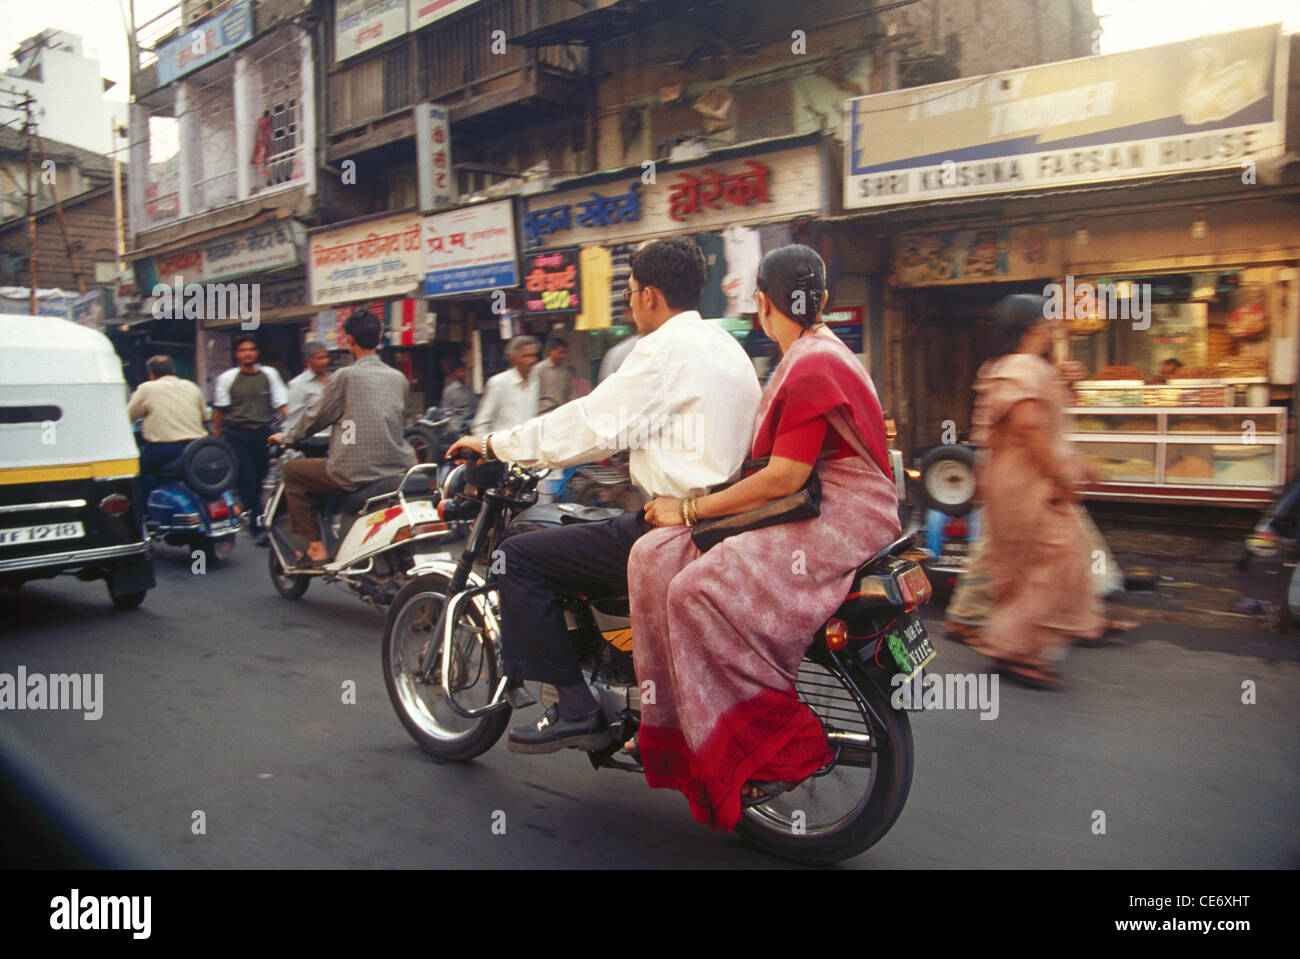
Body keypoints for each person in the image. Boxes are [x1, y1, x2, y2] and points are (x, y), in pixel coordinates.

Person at [445, 236, 761, 753]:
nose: (630, 303)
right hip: (723, 517)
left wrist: (494, 445)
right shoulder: (727, 346)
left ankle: (574, 707)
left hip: (674, 523)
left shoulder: (661, 349)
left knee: (516, 556)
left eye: (632, 292)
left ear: (652, 295)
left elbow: (589, 424)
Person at [625, 245, 900, 831]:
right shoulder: (813, 353)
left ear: (759, 304)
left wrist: (691, 507)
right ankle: (671, 725)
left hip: (841, 513)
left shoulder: (810, 365)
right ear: (822, 301)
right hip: (815, 501)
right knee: (651, 556)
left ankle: (769, 744)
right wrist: (688, 518)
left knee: (695, 590)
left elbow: (784, 476)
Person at [960, 294, 1119, 688]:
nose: (1051, 333)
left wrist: (1075, 467)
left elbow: (1045, 428)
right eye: (1047, 326)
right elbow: (1029, 427)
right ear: (1032, 329)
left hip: (1018, 481)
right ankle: (1007, 644)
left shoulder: (1016, 367)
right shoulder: (1021, 367)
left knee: (1026, 567)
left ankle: (1021, 649)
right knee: (1057, 560)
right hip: (1026, 482)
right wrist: (1061, 476)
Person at [266, 309, 415, 566]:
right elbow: (395, 421)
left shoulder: (344, 376)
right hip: (397, 468)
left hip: (353, 471)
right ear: (380, 337)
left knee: (292, 471)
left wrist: (287, 438)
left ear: (349, 340)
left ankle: (315, 548)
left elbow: (315, 418)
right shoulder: (399, 378)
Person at [212, 336, 288, 541]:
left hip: (263, 433)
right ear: (237, 354)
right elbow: (219, 410)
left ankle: (249, 511)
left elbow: (282, 404)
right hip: (237, 434)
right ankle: (257, 528)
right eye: (243, 350)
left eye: (252, 349)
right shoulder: (227, 378)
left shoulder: (269, 374)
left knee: (260, 476)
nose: (248, 353)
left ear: (256, 353)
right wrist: (217, 437)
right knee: (247, 478)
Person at [127, 355, 208, 495]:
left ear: (151, 374)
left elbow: (128, 417)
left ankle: (142, 513)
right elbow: (205, 416)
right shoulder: (191, 386)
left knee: (132, 476)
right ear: (173, 370)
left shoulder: (147, 388)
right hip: (197, 448)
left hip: (163, 451)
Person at [471, 336, 541, 435]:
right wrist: (491, 448)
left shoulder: (535, 381)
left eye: (534, 355)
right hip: (504, 447)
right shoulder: (498, 383)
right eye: (526, 356)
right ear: (514, 359)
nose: (532, 360)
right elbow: (480, 425)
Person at [285, 341, 332, 434]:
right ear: (307, 362)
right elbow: (294, 418)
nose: (326, 361)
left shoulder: (333, 378)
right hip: (311, 440)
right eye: (320, 358)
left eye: (327, 357)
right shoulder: (298, 384)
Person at [439, 357, 477, 435]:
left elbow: (475, 407)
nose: (462, 374)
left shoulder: (470, 388)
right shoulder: (449, 391)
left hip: (470, 426)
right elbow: (445, 411)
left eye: (463, 371)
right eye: (459, 372)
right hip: (456, 428)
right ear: (453, 374)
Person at [534, 337, 573, 413]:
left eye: (565, 352)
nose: (563, 356)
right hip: (543, 412)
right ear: (551, 351)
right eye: (560, 352)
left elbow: (569, 392)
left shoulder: (565, 371)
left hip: (561, 411)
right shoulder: (539, 369)